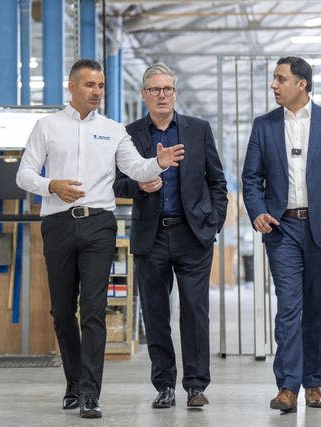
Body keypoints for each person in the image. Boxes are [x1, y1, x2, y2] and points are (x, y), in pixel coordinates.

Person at [16, 59, 184, 419]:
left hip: (99, 226)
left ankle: (91, 392)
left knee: (93, 310)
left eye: (101, 86)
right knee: (62, 312)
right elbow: (24, 174)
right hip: (58, 224)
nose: (96, 92)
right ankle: (74, 382)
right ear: (72, 87)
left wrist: (159, 163)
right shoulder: (47, 127)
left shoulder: (113, 130)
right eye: (90, 85)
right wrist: (51, 185)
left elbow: (136, 168)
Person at [241, 56, 321, 412]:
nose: (274, 85)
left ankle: (313, 384)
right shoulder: (264, 126)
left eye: (280, 79)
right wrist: (258, 210)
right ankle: (287, 387)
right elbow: (250, 178)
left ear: (301, 84)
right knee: (288, 308)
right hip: (282, 227)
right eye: (274, 79)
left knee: (318, 310)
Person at [114, 63, 227, 409]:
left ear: (175, 93)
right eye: (154, 90)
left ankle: (195, 385)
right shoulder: (129, 134)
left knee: (195, 311)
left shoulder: (197, 130)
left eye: (167, 89)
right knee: (156, 313)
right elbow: (116, 183)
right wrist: (139, 185)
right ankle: (164, 385)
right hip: (152, 236)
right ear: (144, 95)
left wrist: (213, 224)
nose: (162, 95)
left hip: (193, 235)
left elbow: (217, 182)